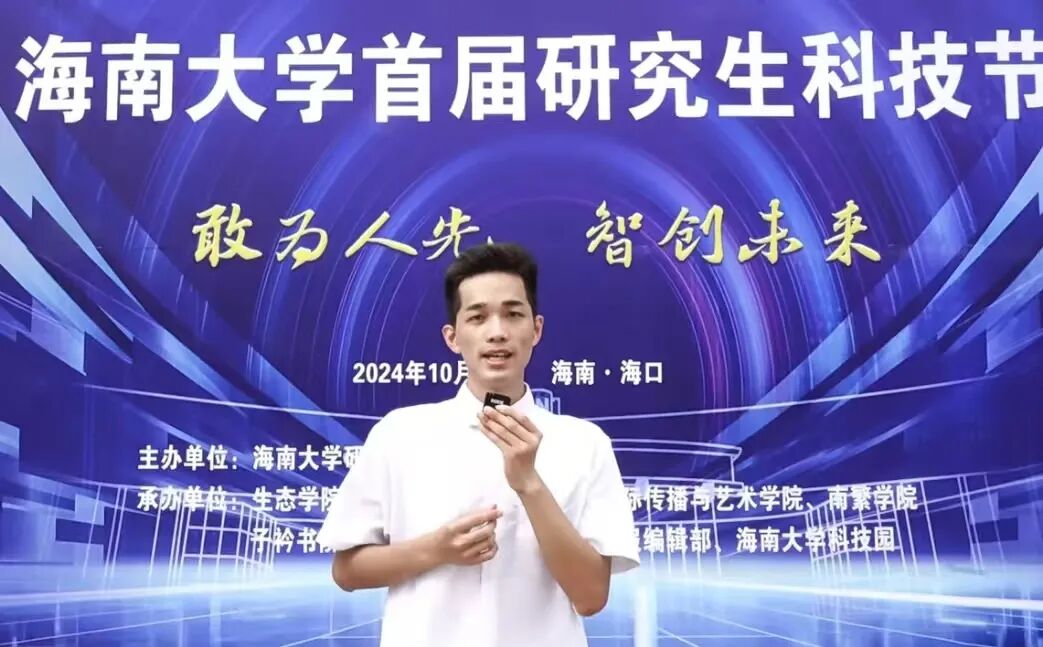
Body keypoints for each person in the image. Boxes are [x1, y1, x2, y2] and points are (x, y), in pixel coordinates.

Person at [317, 242, 640, 647]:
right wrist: (435, 550)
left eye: (513, 314)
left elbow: (592, 597)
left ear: (536, 329)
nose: (497, 332)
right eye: (478, 316)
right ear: (453, 337)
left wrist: (529, 484)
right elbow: (347, 571)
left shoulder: (584, 443)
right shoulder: (399, 433)